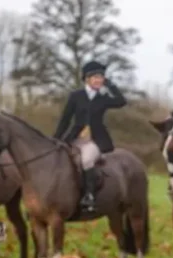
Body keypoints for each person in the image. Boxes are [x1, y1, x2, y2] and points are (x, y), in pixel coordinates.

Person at [53, 61, 127, 212]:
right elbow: (65, 119)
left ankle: (89, 196)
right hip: (74, 138)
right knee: (58, 159)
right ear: (87, 79)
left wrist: (111, 85)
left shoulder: (103, 98)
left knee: (87, 160)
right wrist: (55, 138)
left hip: (94, 140)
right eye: (96, 77)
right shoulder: (76, 96)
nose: (99, 80)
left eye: (101, 77)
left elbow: (121, 102)